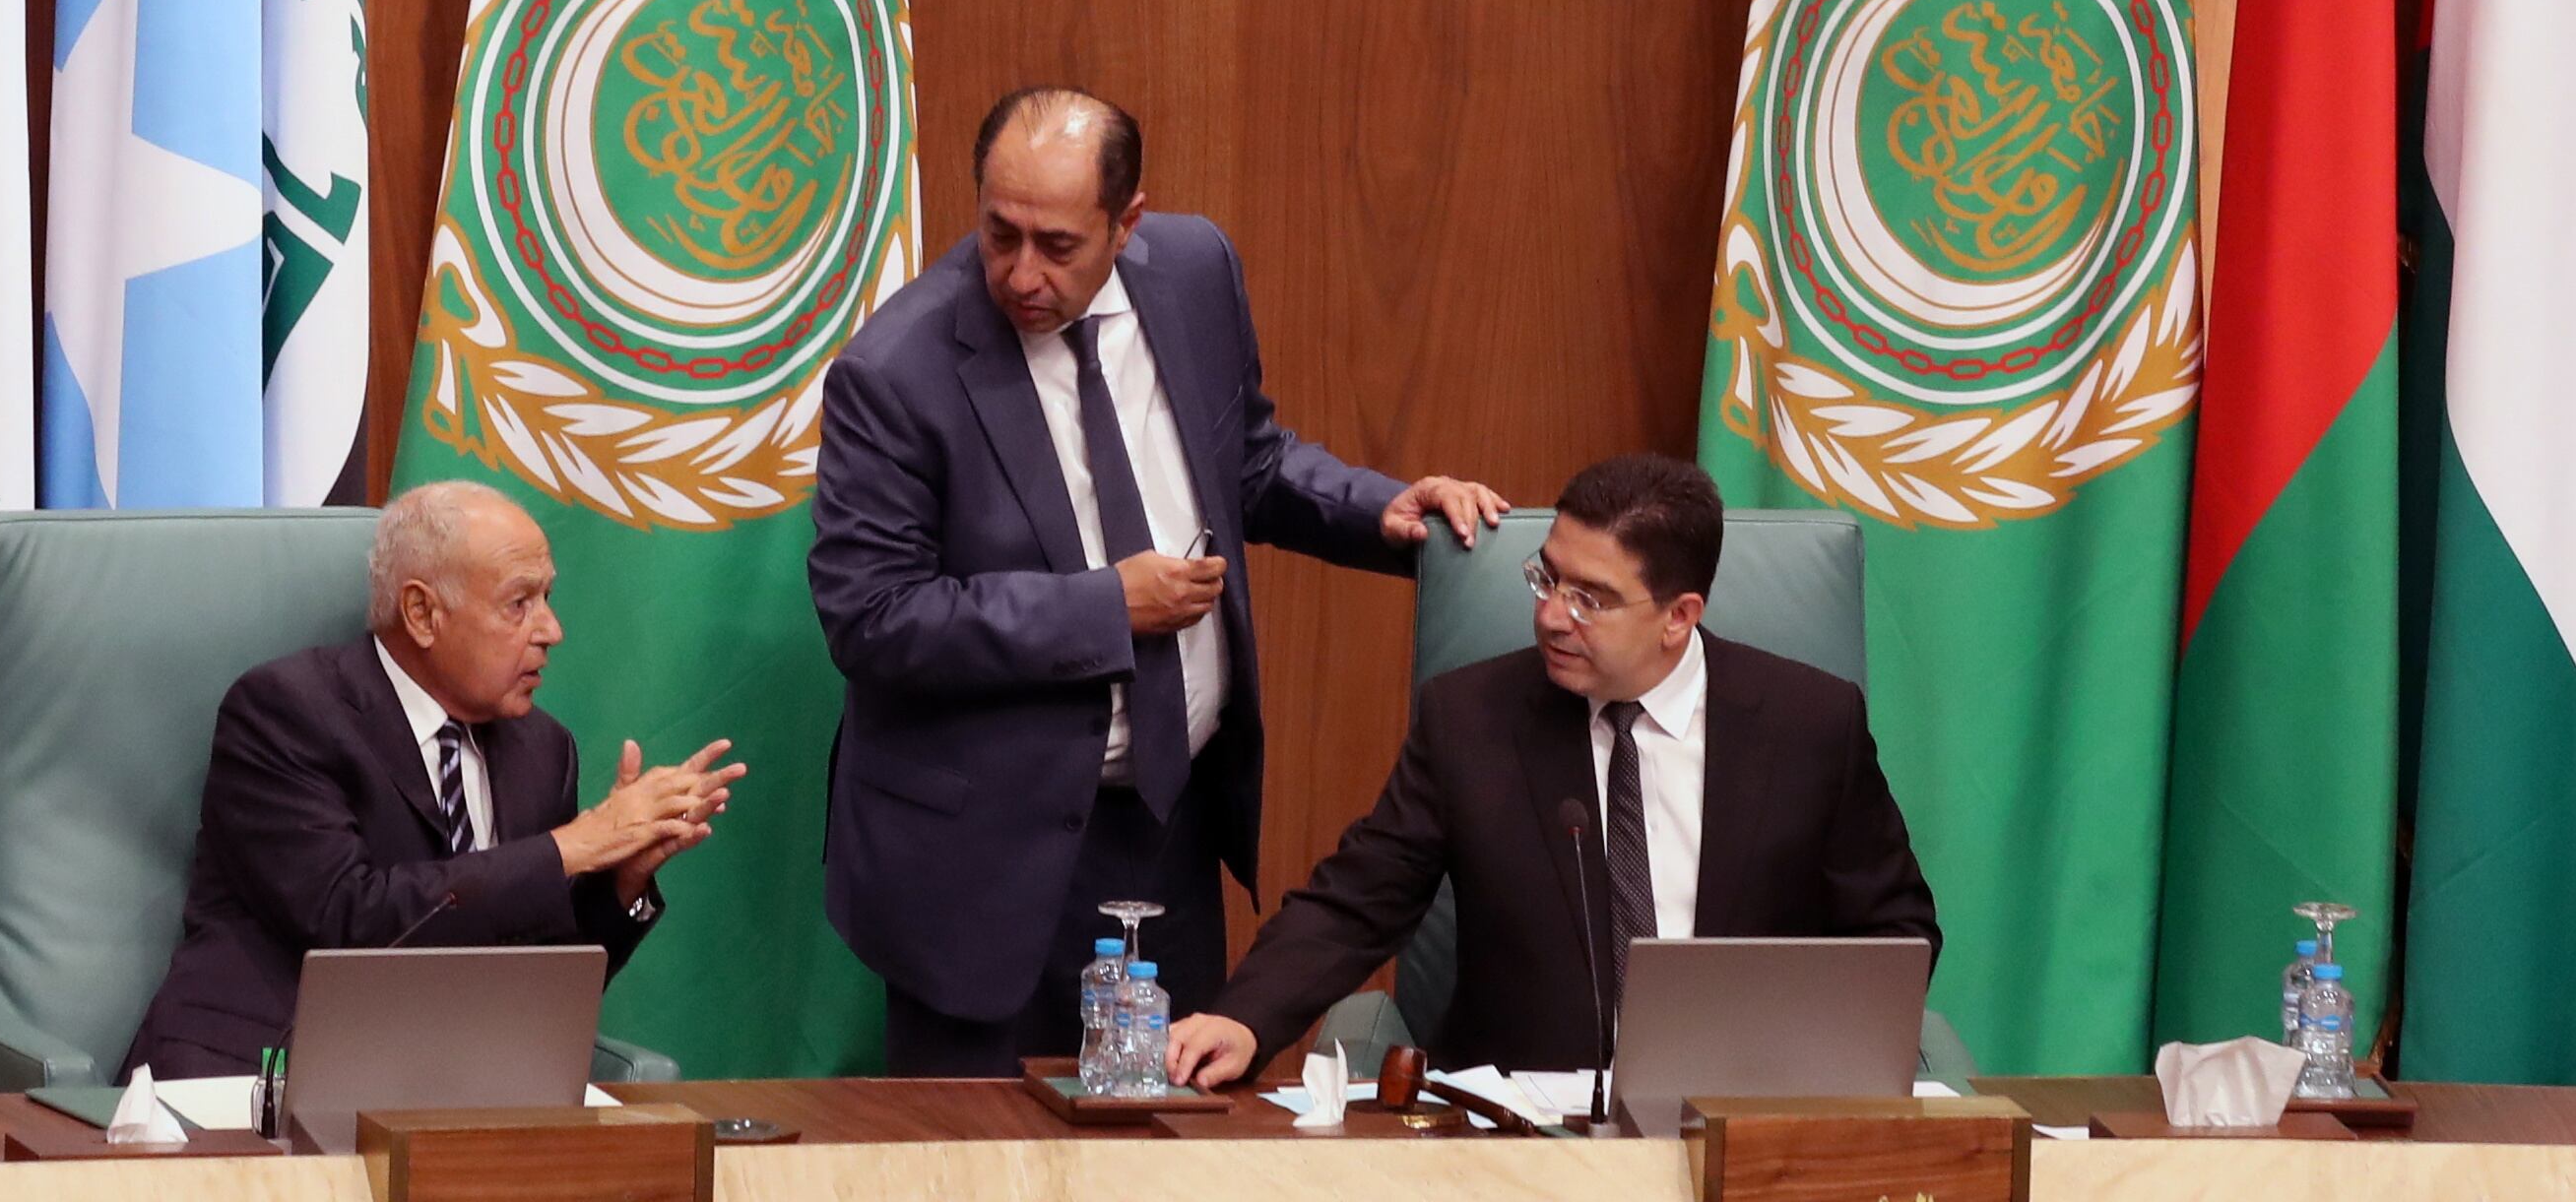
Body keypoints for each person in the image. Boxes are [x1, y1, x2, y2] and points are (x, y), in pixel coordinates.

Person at [809, 86, 1509, 1076]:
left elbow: (1247, 462)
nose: (1019, 272)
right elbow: (871, 617)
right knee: (978, 1164)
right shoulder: (897, 371)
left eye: (1057, 244)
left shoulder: (1193, 270)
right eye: (999, 232)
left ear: (1126, 223)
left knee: (1166, 1144)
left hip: (1163, 832)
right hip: (983, 860)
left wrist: (1378, 508)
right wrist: (1106, 606)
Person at [1161, 452, 1939, 1086]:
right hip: (1519, 1130)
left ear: (1679, 615)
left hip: (1741, 1118)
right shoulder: (1471, 720)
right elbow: (1358, 898)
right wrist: (1246, 1016)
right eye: (1547, 579)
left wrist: (1796, 1062)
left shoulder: (1810, 722)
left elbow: (1896, 934)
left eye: (1591, 599)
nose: (1551, 615)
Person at [121, 481, 745, 1080]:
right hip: (261, 1071)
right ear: (422, 612)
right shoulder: (287, 712)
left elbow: (540, 976)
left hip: (451, 1083)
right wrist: (572, 847)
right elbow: (345, 920)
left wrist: (621, 879)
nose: (551, 630)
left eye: (548, 599)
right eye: (519, 603)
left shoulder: (543, 749)